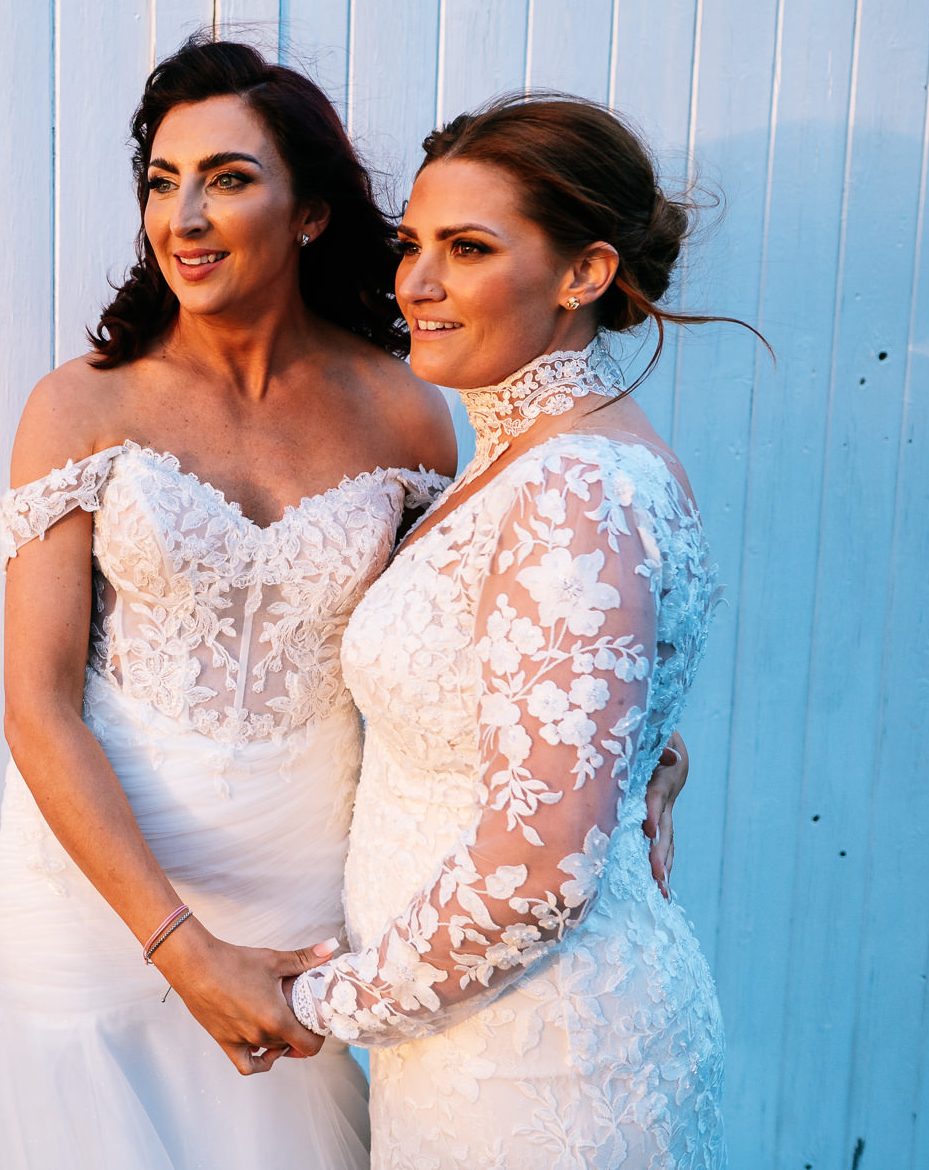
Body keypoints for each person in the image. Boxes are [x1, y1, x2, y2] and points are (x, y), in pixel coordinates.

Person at [0, 41, 688, 1167]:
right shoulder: (77, 408)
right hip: (99, 886)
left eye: (225, 176)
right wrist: (176, 944)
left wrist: (634, 732)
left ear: (310, 211)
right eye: (161, 182)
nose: (185, 215)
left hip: (305, 886)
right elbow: (36, 707)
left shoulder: (406, 409)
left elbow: (481, 626)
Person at [283, 93, 742, 1167]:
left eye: (468, 248)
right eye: (412, 244)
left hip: (545, 1066)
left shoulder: (576, 482)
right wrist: (647, 758)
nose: (417, 282)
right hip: (465, 1043)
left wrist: (322, 1000)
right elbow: (552, 703)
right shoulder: (517, 459)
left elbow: (538, 864)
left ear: (582, 273)